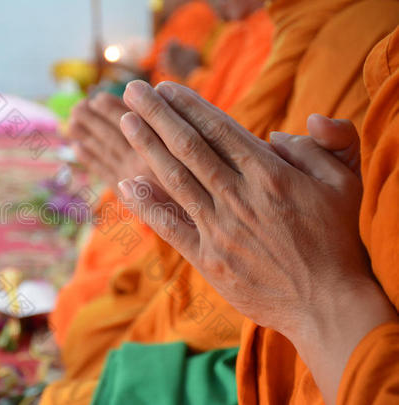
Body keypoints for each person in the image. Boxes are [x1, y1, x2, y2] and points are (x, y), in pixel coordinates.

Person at [42, 0, 399, 403]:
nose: (211, 8)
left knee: (94, 350)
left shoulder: (366, 30)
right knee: (90, 324)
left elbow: (291, 258)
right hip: (306, 338)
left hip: (305, 340)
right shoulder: (275, 30)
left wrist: (318, 293)